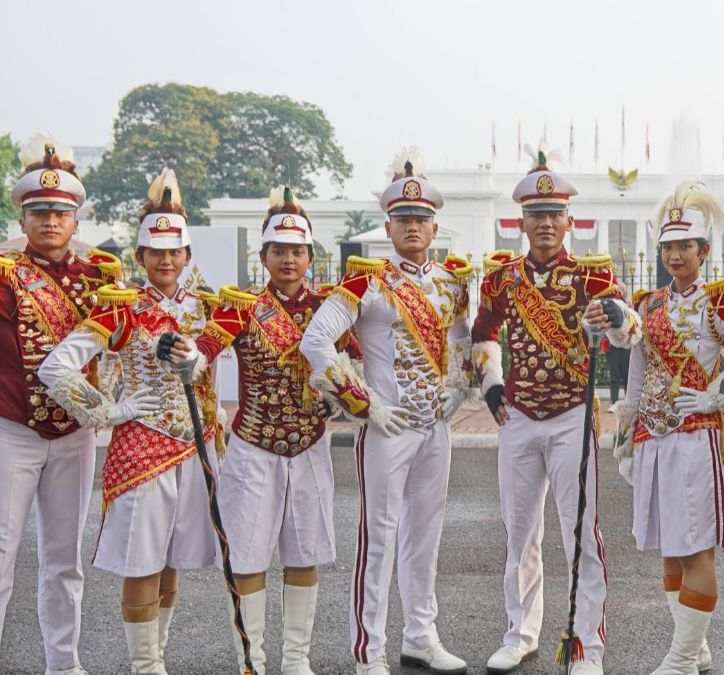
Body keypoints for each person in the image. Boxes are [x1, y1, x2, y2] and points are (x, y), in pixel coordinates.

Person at [39, 168, 220, 674]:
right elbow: (56, 365)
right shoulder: (121, 309)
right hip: (142, 449)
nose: (166, 261)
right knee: (142, 560)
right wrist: (106, 411)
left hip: (193, 448)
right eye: (155, 253)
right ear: (140, 257)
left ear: (186, 255)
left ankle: (156, 660)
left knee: (169, 560)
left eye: (174, 252)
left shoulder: (203, 307)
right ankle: (144, 668)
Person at [471, 142, 641, 675]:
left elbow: (632, 331)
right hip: (518, 417)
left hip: (572, 414)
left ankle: (587, 645)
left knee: (580, 531)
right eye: (535, 214)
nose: (545, 223)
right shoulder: (502, 279)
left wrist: (615, 313)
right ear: (521, 221)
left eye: (553, 214)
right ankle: (520, 634)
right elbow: (483, 334)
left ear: (570, 220)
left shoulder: (593, 276)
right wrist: (492, 385)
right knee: (519, 533)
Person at [301, 148, 472, 675]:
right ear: (389, 225)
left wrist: (460, 386)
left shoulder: (450, 283)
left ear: (434, 224)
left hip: (433, 427)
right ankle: (368, 652)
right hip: (387, 429)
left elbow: (462, 343)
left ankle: (420, 635)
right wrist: (363, 402)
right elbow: (316, 342)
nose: (413, 226)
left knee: (426, 536)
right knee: (379, 539)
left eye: (421, 219)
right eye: (404, 219)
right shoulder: (366, 282)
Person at [612, 179, 724, 674]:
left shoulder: (722, 301)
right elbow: (637, 375)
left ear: (704, 250)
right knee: (669, 547)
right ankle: (696, 648)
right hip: (655, 438)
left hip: (697, 438)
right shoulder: (647, 306)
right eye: (667, 246)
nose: (674, 255)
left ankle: (683, 656)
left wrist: (719, 394)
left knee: (694, 548)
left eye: (684, 246)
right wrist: (627, 438)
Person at [197, 186, 354, 674]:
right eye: (279, 251)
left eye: (298, 251)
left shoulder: (330, 309)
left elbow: (355, 364)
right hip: (252, 447)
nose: (289, 259)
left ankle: (297, 659)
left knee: (304, 549)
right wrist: (183, 359)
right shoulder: (240, 306)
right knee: (247, 553)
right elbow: (202, 349)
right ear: (263, 256)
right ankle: (253, 659)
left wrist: (341, 395)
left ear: (311, 256)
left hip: (309, 445)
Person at [0, 136, 121, 675]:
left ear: (76, 219)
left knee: (64, 559)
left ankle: (64, 665)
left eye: (60, 213)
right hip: (11, 429)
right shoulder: (4, 273)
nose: (50, 221)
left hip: (74, 434)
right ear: (22, 219)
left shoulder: (100, 279)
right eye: (39, 212)